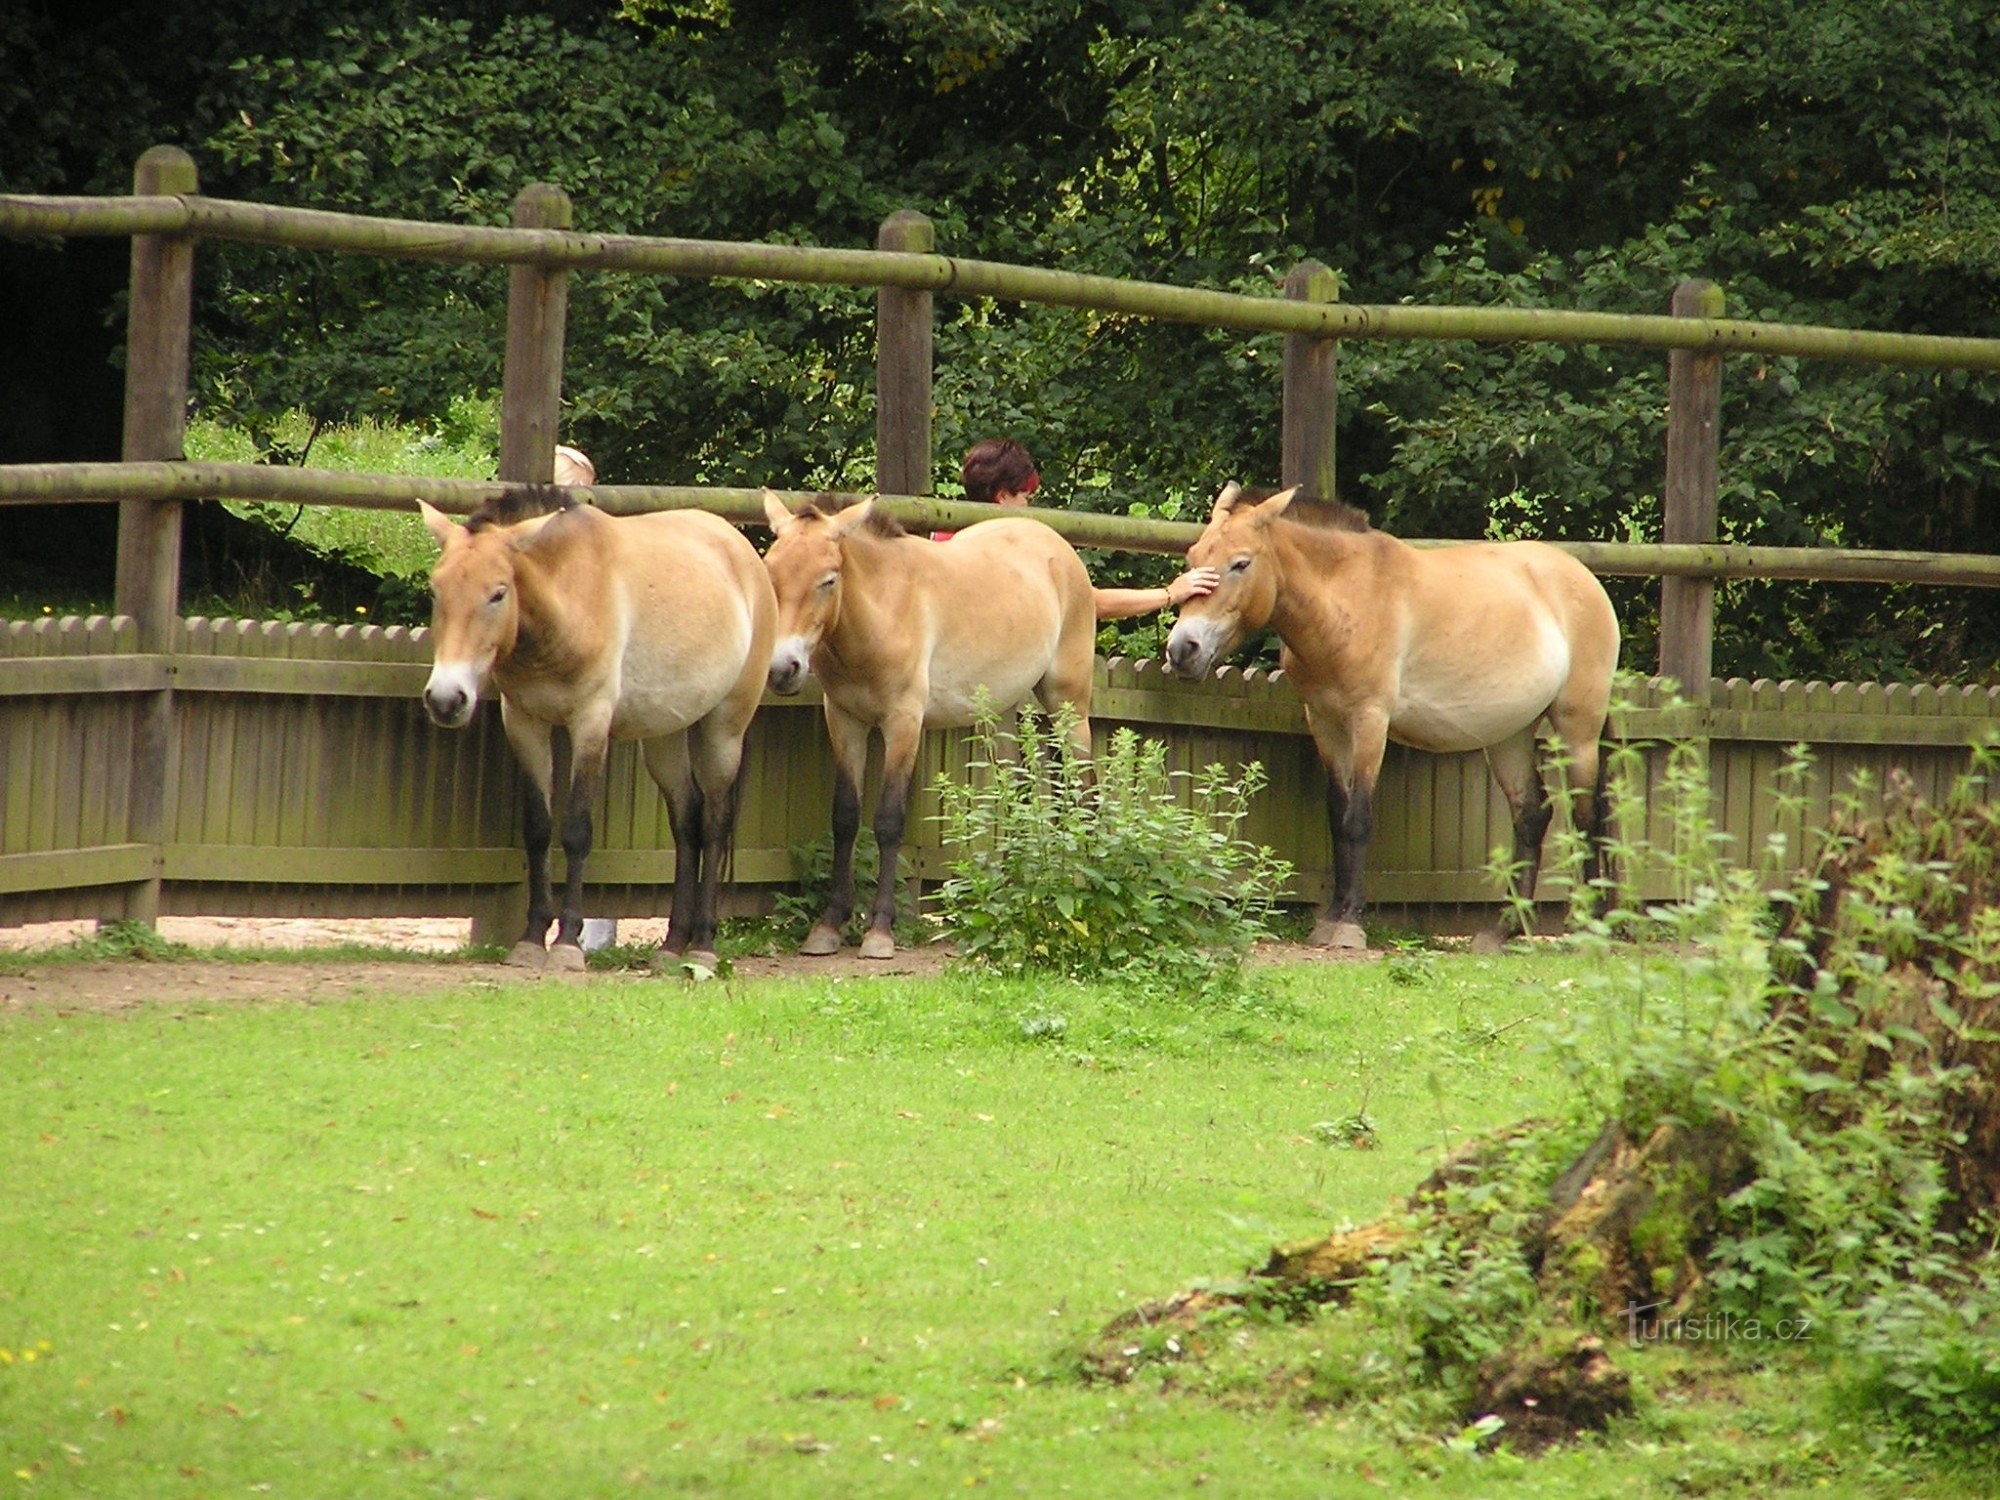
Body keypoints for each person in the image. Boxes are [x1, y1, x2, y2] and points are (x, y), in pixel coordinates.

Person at [941, 439, 1219, 619]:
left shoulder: (940, 538)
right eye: (1025, 498)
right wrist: (1170, 593)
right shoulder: (1005, 549)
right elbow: (1090, 603)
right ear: (1002, 496)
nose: (1029, 508)